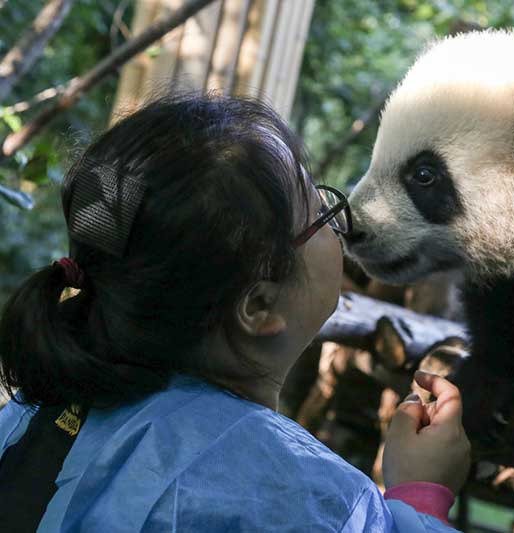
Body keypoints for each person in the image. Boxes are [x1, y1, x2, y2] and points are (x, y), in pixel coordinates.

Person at [0, 94, 471, 532]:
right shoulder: (298, 493)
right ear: (260, 306)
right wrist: (419, 498)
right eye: (323, 212)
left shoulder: (28, 416)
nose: (344, 227)